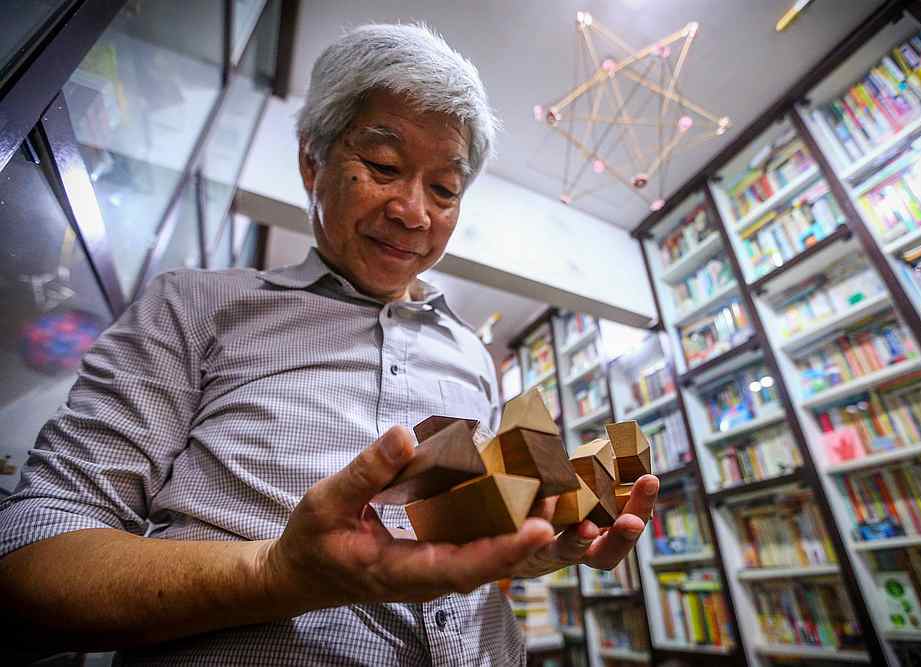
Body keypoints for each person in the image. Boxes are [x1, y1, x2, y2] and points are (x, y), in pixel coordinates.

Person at [0, 23, 659, 665]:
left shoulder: (471, 355)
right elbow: (28, 567)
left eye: (445, 189)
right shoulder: (193, 305)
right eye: (383, 164)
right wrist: (274, 572)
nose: (414, 211)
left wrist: (539, 547)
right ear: (311, 161)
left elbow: (462, 540)